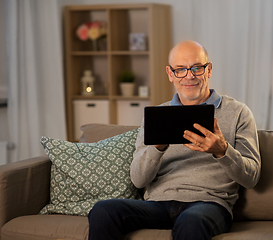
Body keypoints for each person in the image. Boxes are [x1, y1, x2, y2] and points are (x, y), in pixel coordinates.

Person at [88, 40, 261, 240]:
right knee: (103, 210)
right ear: (170, 74)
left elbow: (252, 178)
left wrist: (222, 151)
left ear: (209, 70)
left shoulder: (238, 112)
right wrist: (157, 147)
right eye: (181, 69)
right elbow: (138, 179)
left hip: (208, 204)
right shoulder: (156, 116)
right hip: (158, 204)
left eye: (197, 68)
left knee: (191, 221)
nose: (189, 76)